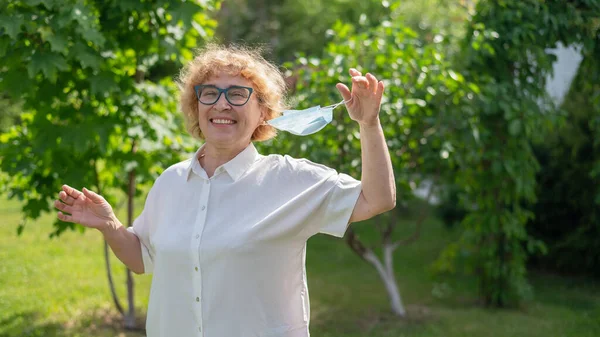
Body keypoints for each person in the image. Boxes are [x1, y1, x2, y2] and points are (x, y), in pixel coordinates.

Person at [54, 44, 395, 337]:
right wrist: (109, 224)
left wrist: (369, 124)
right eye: (209, 94)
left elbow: (377, 199)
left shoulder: (288, 179)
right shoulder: (171, 181)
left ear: (264, 111)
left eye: (236, 94)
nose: (221, 105)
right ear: (196, 107)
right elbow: (142, 259)